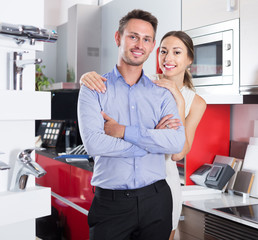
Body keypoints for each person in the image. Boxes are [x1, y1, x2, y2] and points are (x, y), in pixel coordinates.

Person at [81, 31, 207, 240]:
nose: (168, 58)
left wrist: (180, 102)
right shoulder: (144, 83)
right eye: (164, 51)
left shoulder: (196, 102)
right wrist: (86, 77)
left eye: (176, 52)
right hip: (124, 187)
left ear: (189, 59)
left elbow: (177, 153)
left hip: (164, 183)